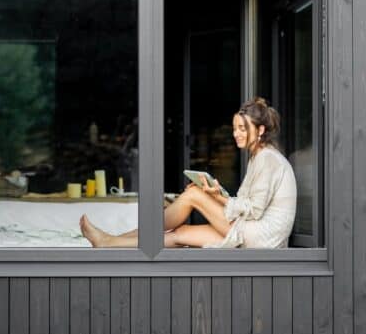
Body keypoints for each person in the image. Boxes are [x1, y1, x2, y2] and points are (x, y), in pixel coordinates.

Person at [79, 97, 297, 248]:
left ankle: (112, 240)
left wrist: (215, 196)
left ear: (260, 131)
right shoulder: (259, 156)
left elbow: (254, 210)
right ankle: (109, 242)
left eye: (242, 128)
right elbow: (247, 206)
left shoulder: (267, 159)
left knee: (193, 195)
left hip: (261, 238)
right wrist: (217, 193)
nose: (235, 134)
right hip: (251, 231)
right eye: (235, 128)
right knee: (179, 234)